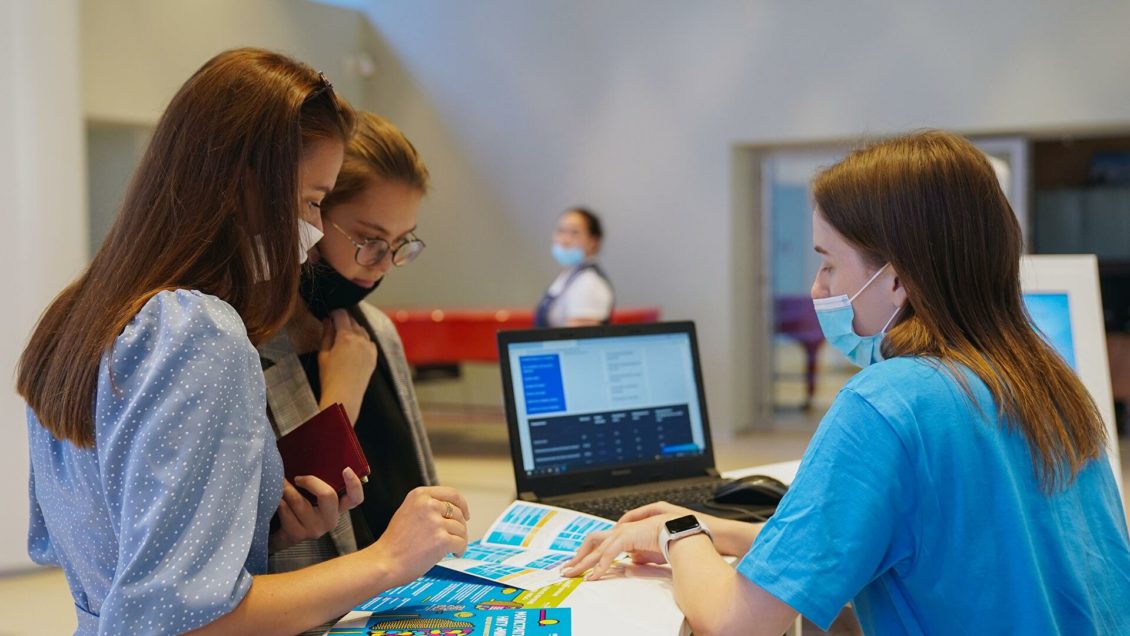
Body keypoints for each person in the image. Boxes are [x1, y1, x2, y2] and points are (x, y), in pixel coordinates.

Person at [562, 131, 1130, 634]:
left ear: (899, 279)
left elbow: (737, 621)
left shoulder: (889, 404)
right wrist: (716, 529)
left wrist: (679, 535)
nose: (816, 288)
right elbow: (931, 551)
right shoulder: (1048, 385)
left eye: (829, 263)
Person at [18, 48, 468, 635]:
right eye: (312, 202)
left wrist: (266, 528)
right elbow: (174, 622)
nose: (309, 234)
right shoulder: (201, 331)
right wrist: (388, 559)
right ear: (247, 186)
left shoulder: (77, 316)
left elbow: (88, 542)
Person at [263, 112, 437, 580]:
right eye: (369, 240)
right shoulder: (248, 348)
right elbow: (262, 531)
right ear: (311, 214)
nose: (384, 265)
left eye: (401, 243)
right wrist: (341, 401)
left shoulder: (377, 330)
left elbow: (419, 487)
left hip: (416, 604)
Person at [534, 206, 614, 327]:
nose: (565, 240)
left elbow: (578, 341)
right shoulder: (567, 276)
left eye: (574, 233)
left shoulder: (589, 283)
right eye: (561, 231)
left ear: (593, 241)